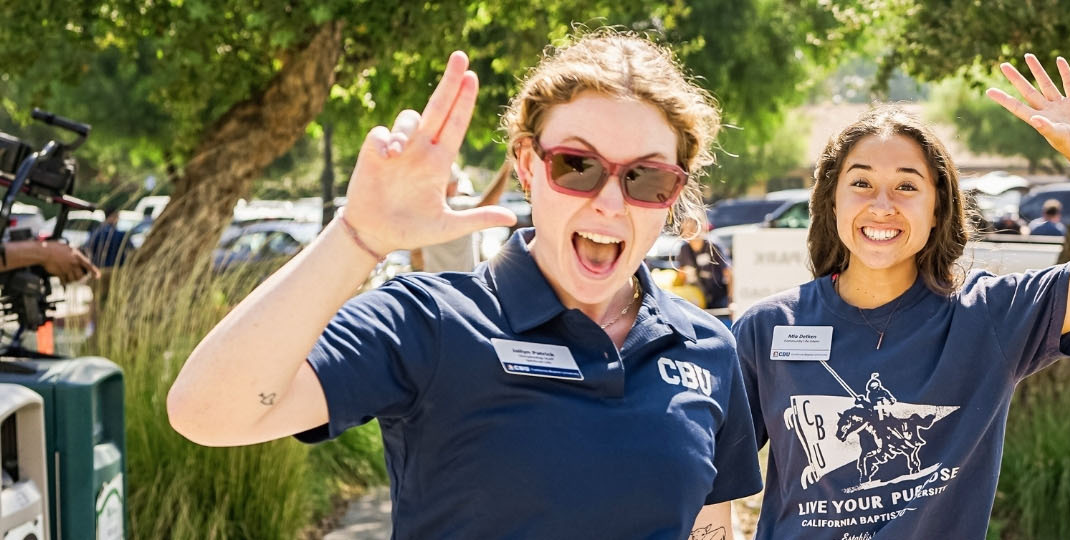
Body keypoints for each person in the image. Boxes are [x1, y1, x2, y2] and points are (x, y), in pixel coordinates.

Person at [166, 32, 760, 538]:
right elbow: (207, 413)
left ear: (674, 193)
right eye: (576, 166)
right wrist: (357, 236)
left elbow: (709, 525)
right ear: (528, 166)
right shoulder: (428, 322)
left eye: (646, 178)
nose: (609, 201)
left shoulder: (707, 345)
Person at [732, 54, 1070, 539]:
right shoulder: (767, 327)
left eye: (906, 186)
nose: (882, 205)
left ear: (938, 207)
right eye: (861, 183)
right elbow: (709, 476)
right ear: (832, 200)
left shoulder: (990, 317)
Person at [410, 164, 509, 273]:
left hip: (432, 284)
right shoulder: (454, 207)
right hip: (462, 283)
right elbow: (487, 203)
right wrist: (507, 168)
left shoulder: (423, 211)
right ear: (451, 184)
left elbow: (416, 257)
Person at [676, 215, 731, 312]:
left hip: (719, 299)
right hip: (697, 300)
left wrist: (731, 301)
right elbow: (681, 276)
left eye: (694, 227)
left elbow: (729, 273)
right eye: (687, 228)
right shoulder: (684, 249)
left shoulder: (713, 246)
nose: (691, 232)